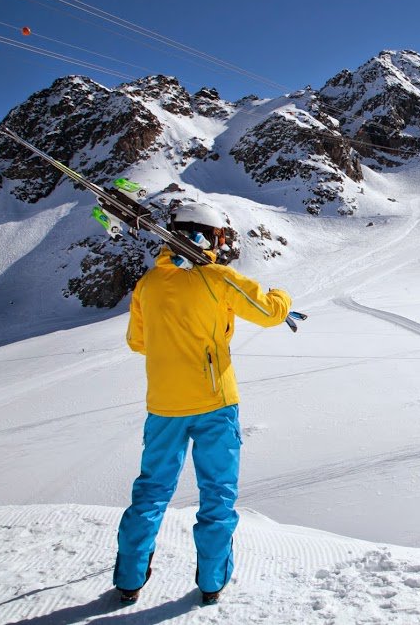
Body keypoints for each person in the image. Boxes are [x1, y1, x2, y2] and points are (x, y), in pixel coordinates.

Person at [114, 201, 293, 605]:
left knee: (151, 491)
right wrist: (282, 294)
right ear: (211, 236)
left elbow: (137, 341)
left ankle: (129, 578)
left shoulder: (148, 284)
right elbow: (269, 312)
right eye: (220, 237)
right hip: (215, 403)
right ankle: (211, 582)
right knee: (217, 494)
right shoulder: (218, 278)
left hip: (163, 405)